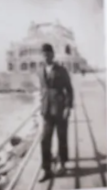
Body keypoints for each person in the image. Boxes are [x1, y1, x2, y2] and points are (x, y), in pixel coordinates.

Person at [38, 43, 73, 182]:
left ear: (53, 55)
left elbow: (69, 89)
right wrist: (41, 104)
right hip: (46, 110)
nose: (46, 57)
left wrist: (68, 107)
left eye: (48, 54)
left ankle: (62, 164)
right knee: (45, 139)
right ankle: (46, 169)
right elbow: (42, 90)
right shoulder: (40, 71)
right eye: (44, 55)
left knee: (61, 137)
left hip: (60, 108)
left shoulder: (61, 70)